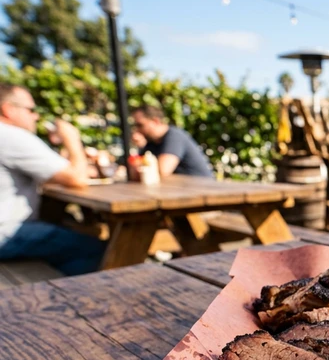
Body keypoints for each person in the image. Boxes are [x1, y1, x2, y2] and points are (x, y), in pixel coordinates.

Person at [0, 83, 106, 275]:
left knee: (66, 231)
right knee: (99, 250)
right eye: (30, 110)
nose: (36, 116)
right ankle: (74, 298)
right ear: (8, 109)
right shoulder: (11, 135)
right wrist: (72, 138)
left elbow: (53, 175)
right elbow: (77, 178)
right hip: (6, 231)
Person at [131, 105, 213, 178]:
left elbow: (162, 170)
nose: (137, 129)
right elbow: (137, 168)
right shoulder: (151, 142)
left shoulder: (174, 136)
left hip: (203, 190)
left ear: (155, 121)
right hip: (180, 190)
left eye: (140, 125)